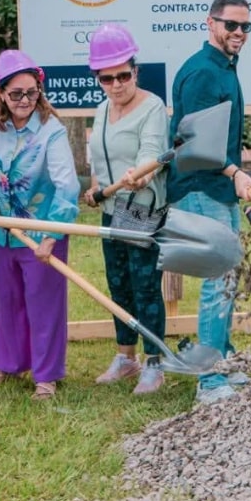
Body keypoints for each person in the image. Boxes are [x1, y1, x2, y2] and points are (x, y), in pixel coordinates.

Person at [0, 50, 80, 401]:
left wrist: (51, 234)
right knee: (8, 299)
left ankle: (46, 376)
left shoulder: (50, 129)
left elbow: (68, 185)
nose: (25, 100)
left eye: (32, 92)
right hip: (0, 231)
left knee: (43, 302)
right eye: (16, 94)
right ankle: (9, 365)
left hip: (42, 231)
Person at [166, 0, 251, 405]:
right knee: (217, 278)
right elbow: (196, 144)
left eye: (245, 26)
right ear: (211, 23)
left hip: (217, 186)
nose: (239, 33)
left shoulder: (225, 67)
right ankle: (208, 380)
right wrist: (237, 172)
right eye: (231, 25)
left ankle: (220, 362)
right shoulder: (204, 72)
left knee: (227, 276)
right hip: (199, 186)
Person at [85, 24, 170, 394]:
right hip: (111, 209)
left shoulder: (152, 107)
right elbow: (99, 159)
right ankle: (126, 357)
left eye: (123, 75)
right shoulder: (102, 110)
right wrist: (94, 186)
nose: (116, 84)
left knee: (145, 285)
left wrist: (142, 172)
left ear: (135, 71)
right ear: (98, 79)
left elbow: (152, 151)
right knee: (118, 284)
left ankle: (155, 363)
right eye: (107, 78)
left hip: (142, 210)